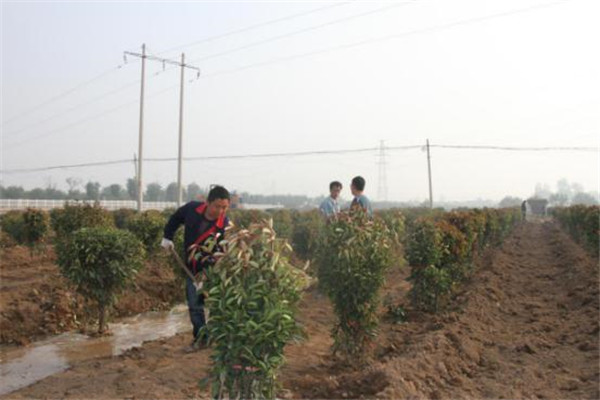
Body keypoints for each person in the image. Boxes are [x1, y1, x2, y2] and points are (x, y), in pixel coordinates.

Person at [161, 185, 230, 350]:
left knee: (216, 305)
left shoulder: (224, 224)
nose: (220, 211)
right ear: (208, 202)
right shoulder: (192, 209)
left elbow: (222, 252)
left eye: (224, 207)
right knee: (195, 306)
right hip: (191, 268)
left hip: (212, 270)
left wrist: (206, 277)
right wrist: (167, 237)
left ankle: (216, 336)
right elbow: (175, 218)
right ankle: (201, 339)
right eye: (217, 206)